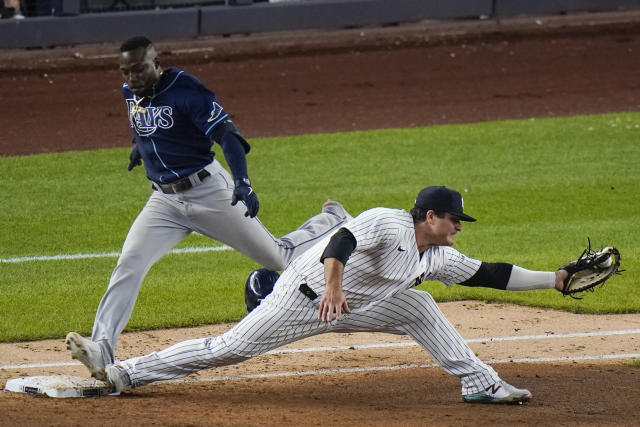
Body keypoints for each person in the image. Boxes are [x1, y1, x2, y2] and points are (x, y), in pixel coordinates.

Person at [91, 185, 569, 404]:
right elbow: (342, 242)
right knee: (230, 349)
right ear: (429, 216)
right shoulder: (388, 221)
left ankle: (479, 382)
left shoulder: (436, 257)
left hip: (348, 306)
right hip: (303, 297)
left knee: (420, 304)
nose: (460, 227)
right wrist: (334, 289)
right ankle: (126, 373)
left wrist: (555, 279)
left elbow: (491, 273)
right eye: (454, 219)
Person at [65, 35, 352, 381]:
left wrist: (243, 182)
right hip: (165, 202)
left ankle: (332, 219)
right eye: (125, 71)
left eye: (139, 68)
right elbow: (145, 124)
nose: (132, 77)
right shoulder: (131, 91)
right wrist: (139, 148)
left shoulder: (188, 90)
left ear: (156, 63)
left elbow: (227, 135)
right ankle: (100, 350)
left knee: (278, 258)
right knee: (129, 264)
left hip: (209, 193)